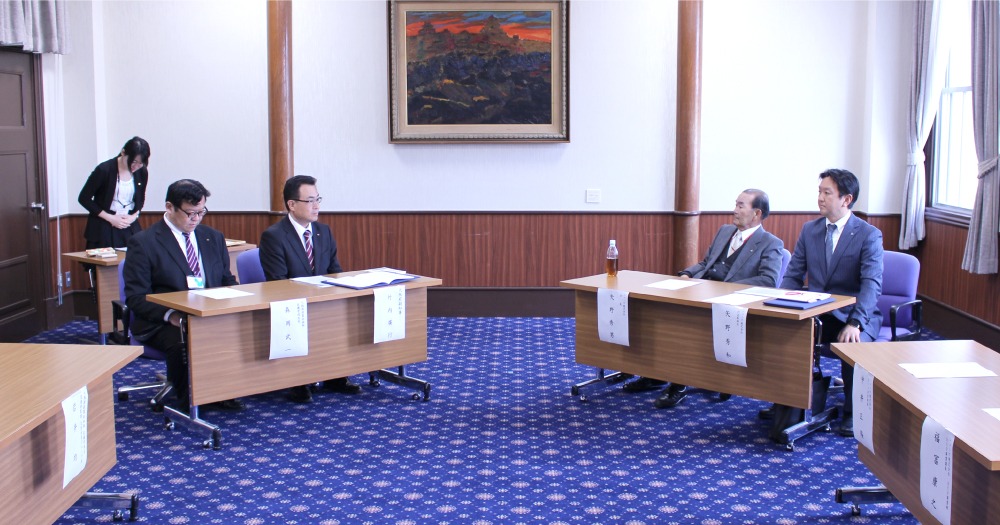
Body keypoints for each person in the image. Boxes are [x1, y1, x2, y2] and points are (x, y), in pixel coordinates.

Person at [623, 189, 785, 409]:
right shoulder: (725, 231)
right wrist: (686, 274)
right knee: (658, 311)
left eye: (740, 206)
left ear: (757, 213)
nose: (734, 210)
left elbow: (768, 280)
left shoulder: (770, 243)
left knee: (683, 323)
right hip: (701, 291)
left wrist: (724, 289)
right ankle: (655, 374)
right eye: (735, 204)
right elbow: (705, 263)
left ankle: (678, 385)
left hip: (729, 303)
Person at [764, 169, 883, 437]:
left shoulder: (868, 234)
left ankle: (853, 411)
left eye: (827, 193)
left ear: (846, 199)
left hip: (854, 314)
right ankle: (787, 402)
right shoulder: (810, 230)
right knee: (784, 334)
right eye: (819, 191)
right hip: (818, 312)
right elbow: (793, 275)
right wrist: (778, 306)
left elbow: (871, 284)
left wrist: (856, 322)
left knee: (851, 343)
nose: (820, 198)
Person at [123, 179, 246, 413]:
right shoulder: (144, 242)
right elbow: (136, 297)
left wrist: (239, 299)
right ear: (170, 207)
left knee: (237, 327)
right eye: (190, 213)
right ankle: (188, 403)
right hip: (162, 321)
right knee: (183, 338)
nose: (196, 219)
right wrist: (171, 315)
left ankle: (223, 390)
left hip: (209, 314)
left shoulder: (213, 237)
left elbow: (225, 280)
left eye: (201, 212)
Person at [259, 175, 362, 403]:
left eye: (318, 200)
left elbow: (335, 271)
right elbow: (278, 283)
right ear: (292, 204)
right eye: (310, 201)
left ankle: (336, 374)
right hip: (292, 303)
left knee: (343, 311)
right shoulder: (274, 236)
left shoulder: (323, 231)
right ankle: (298, 380)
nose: (316, 206)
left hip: (323, 300)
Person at [79, 136, 150, 249]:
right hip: (104, 226)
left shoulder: (142, 172)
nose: (136, 166)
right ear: (123, 152)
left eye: (140, 163)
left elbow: (141, 197)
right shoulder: (104, 170)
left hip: (129, 225)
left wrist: (134, 216)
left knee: (135, 257)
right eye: (133, 161)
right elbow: (84, 198)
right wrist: (110, 218)